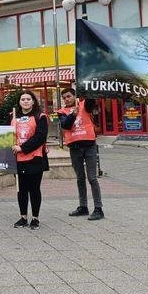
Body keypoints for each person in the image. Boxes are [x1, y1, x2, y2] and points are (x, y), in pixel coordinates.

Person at [58, 88, 104, 221]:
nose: (67, 99)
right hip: (75, 148)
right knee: (80, 178)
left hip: (89, 146)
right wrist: (73, 114)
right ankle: (83, 206)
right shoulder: (62, 112)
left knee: (92, 178)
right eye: (65, 97)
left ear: (74, 96)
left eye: (69, 96)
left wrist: (87, 87)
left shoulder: (84, 105)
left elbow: (91, 101)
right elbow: (66, 126)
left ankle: (98, 208)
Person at [11, 91, 49, 230]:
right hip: (18, 159)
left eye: (28, 99)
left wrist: (22, 148)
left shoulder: (40, 117)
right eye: (23, 99)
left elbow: (40, 137)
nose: (26, 101)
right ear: (19, 102)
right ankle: (23, 217)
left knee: (34, 189)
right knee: (21, 190)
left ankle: (35, 218)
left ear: (33, 101)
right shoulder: (14, 117)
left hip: (35, 158)